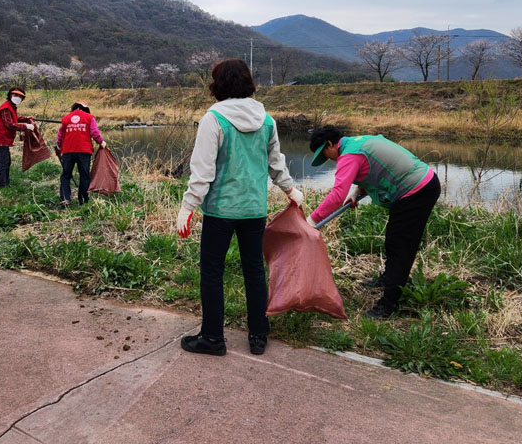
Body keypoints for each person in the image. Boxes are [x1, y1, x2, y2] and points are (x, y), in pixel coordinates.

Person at [175, 59, 303, 356]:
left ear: (217, 85)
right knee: (254, 270)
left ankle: (212, 338)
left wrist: (188, 207)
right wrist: (290, 189)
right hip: (254, 209)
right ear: (248, 83)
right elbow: (276, 163)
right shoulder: (266, 120)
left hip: (221, 210)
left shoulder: (213, 119)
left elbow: (203, 171)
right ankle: (258, 335)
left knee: (212, 272)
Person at [306, 125, 440, 319]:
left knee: (400, 245)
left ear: (329, 144)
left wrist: (312, 220)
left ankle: (388, 304)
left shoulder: (349, 155)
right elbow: (377, 167)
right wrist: (358, 190)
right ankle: (389, 278)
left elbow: (337, 195)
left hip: (417, 191)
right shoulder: (358, 142)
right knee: (394, 241)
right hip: (420, 186)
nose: (329, 159)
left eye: (325, 154)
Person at [55, 100, 105, 206]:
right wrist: (101, 142)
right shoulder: (89, 118)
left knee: (66, 175)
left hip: (68, 151)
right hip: (84, 151)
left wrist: (59, 145)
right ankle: (83, 200)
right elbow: (94, 133)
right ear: (86, 109)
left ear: (74, 108)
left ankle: (65, 198)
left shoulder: (66, 118)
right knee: (84, 176)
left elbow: (60, 135)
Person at [0, 87, 35, 187]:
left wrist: (26, 119)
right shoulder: (6, 108)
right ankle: (1, 185)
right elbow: (10, 124)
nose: (17, 98)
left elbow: (13, 119)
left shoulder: (10, 106)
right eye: (15, 95)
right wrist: (26, 126)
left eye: (20, 97)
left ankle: (5, 183)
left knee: (7, 162)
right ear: (10, 95)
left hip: (2, 139)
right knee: (3, 163)